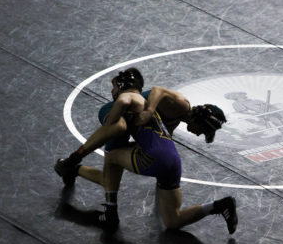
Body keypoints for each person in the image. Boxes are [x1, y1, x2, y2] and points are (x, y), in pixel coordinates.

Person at [55, 68, 238, 234]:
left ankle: (81, 175)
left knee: (111, 163)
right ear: (200, 119)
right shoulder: (180, 104)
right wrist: (148, 111)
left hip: (157, 153)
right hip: (169, 158)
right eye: (204, 130)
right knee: (118, 129)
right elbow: (157, 90)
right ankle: (73, 166)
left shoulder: (171, 118)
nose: (199, 135)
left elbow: (159, 135)